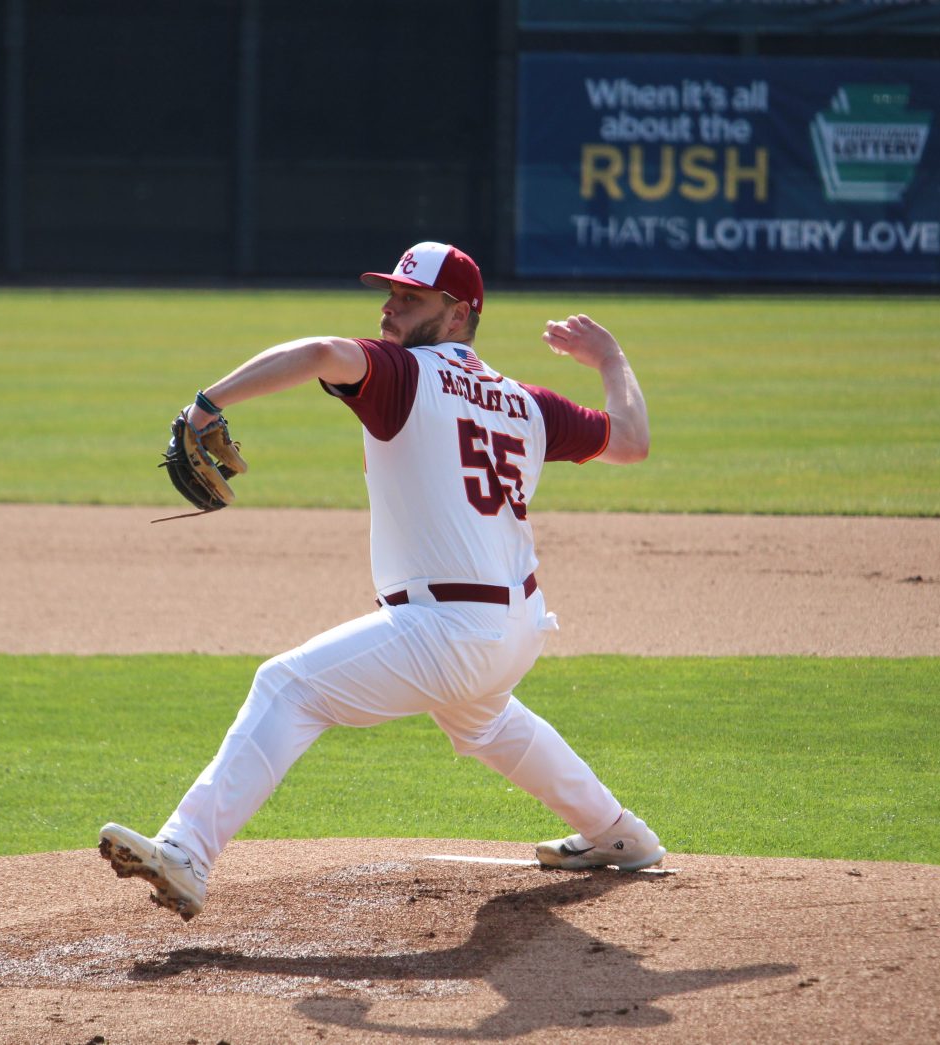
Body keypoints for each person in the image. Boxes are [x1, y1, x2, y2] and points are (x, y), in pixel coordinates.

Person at [100, 241, 663, 921]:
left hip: (450, 628)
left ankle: (186, 852)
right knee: (486, 722)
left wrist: (206, 403)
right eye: (391, 293)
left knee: (289, 684)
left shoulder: (403, 374)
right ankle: (619, 833)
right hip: (517, 627)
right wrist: (610, 360)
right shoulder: (528, 404)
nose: (390, 307)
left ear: (458, 316)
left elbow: (316, 353)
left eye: (410, 299)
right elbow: (631, 439)